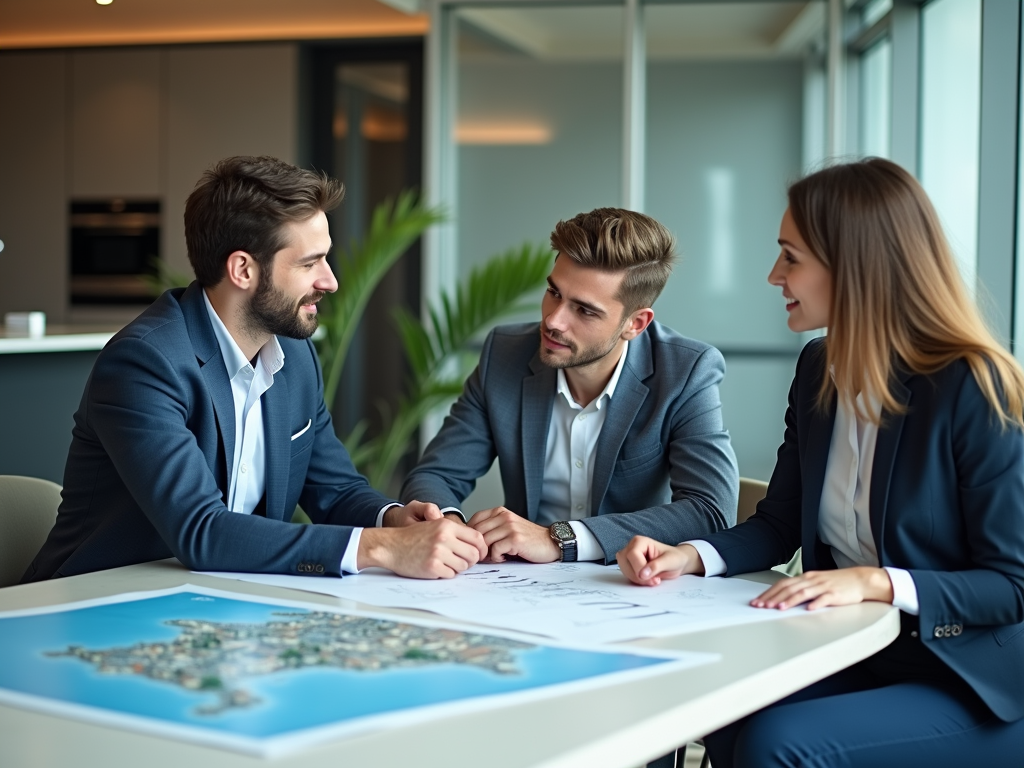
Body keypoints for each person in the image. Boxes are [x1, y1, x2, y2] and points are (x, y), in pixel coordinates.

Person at [617, 158, 1024, 766]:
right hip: (856, 649)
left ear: (854, 266)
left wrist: (876, 581)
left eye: (791, 256)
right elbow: (779, 523)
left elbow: (1011, 584)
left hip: (970, 681)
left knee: (775, 745)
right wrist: (690, 556)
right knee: (722, 715)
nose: (773, 275)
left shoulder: (970, 385)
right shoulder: (818, 369)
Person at [22, 156, 486, 583]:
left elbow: (336, 490)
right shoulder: (145, 363)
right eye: (310, 263)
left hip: (218, 605)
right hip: (94, 608)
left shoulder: (294, 358)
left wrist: (393, 519)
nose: (331, 280)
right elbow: (201, 530)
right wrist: (382, 547)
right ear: (243, 269)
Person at [401, 208, 738, 566]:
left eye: (585, 310)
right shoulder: (505, 354)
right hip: (518, 586)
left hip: (625, 584)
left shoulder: (685, 371)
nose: (553, 320)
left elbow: (710, 509)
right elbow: (437, 475)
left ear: (635, 323)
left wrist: (560, 539)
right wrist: (448, 528)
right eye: (553, 292)